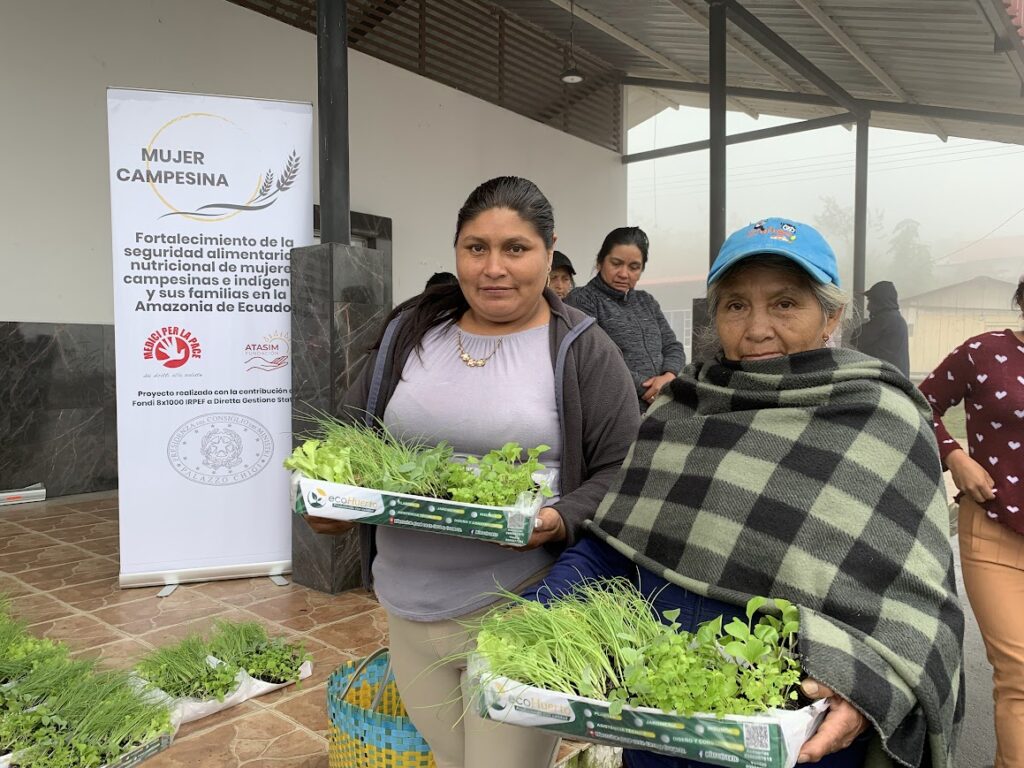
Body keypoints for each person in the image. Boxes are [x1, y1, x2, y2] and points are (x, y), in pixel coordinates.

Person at [528, 217, 964, 768]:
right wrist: (537, 620)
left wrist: (868, 685)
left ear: (830, 316)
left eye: (784, 304)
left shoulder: (880, 419)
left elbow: (919, 610)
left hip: (796, 738)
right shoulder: (680, 410)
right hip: (659, 718)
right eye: (736, 305)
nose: (756, 328)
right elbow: (612, 544)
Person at [303, 176, 641, 768]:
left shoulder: (583, 349)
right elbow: (351, 439)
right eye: (475, 248)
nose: (494, 268)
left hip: (521, 607)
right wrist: (331, 502)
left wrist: (561, 518)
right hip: (407, 605)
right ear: (456, 249)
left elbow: (623, 470)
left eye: (516, 248)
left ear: (549, 248)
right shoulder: (409, 335)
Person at [919, 277, 1024, 768]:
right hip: (996, 530)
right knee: (1019, 676)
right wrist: (955, 456)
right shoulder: (985, 351)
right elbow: (921, 405)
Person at [567, 226, 685, 408]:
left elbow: (672, 346)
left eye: (634, 267)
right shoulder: (582, 300)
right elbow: (595, 359)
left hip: (661, 405)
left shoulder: (646, 301)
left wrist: (669, 377)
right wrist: (647, 389)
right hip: (616, 409)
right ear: (600, 262)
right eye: (616, 263)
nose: (624, 274)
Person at [848, 280, 910, 377]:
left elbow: (855, 337)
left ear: (880, 302)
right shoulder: (897, 320)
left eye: (870, 301)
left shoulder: (885, 320)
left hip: (887, 382)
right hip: (896, 382)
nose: (868, 307)